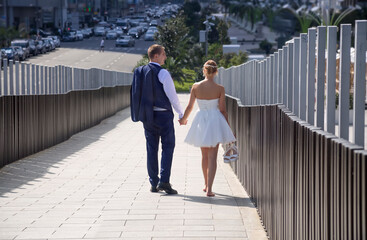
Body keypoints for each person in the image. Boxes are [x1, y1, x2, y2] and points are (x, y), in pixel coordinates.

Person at [131, 44, 184, 194]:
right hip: (163, 116)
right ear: (156, 56)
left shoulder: (140, 71)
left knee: (151, 149)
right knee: (168, 147)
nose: (165, 57)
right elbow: (172, 96)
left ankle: (153, 182)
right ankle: (164, 181)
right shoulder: (163, 73)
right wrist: (181, 114)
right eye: (163, 54)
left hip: (147, 117)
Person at [179, 60, 236, 197]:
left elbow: (190, 107)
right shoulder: (220, 88)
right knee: (212, 157)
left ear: (204, 70)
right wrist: (227, 128)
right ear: (216, 72)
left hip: (201, 120)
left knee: (204, 155)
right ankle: (210, 189)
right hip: (215, 121)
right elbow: (222, 110)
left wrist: (183, 119)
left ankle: (205, 184)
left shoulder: (195, 86)